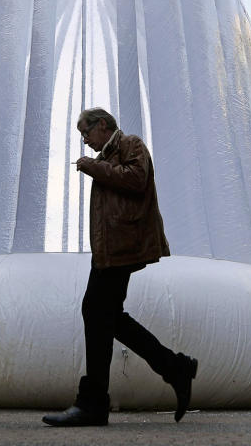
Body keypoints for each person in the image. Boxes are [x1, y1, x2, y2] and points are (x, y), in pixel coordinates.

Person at [42, 108, 197, 427]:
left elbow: (137, 180)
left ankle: (94, 403)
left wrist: (94, 167)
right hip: (110, 251)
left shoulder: (130, 144)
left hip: (124, 247)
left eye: (85, 132)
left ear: (102, 125)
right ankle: (175, 368)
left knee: (95, 311)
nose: (84, 141)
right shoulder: (110, 154)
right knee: (107, 317)